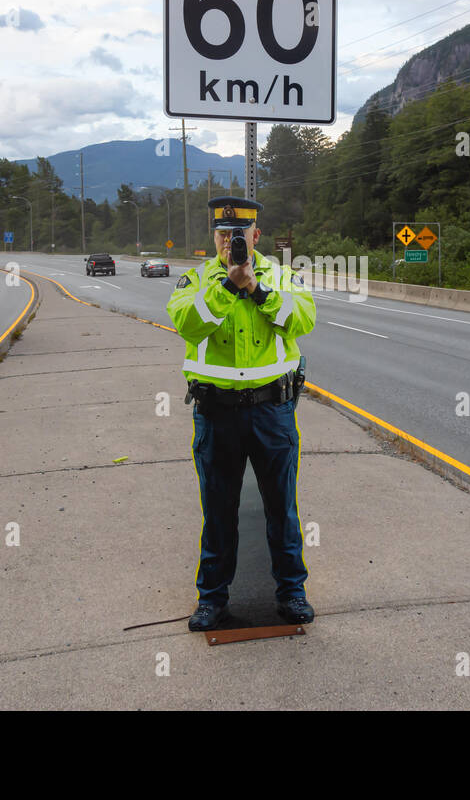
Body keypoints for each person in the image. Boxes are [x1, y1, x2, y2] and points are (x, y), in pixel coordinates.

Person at [166, 196, 317, 631]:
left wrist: (257, 289)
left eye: (239, 234)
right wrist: (230, 287)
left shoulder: (282, 276)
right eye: (222, 234)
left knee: (281, 509)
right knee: (218, 510)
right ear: (214, 237)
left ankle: (292, 593)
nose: (229, 242)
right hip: (217, 414)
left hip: (273, 412)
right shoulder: (196, 280)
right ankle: (212, 600)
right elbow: (188, 324)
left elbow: (303, 319)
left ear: (255, 236)